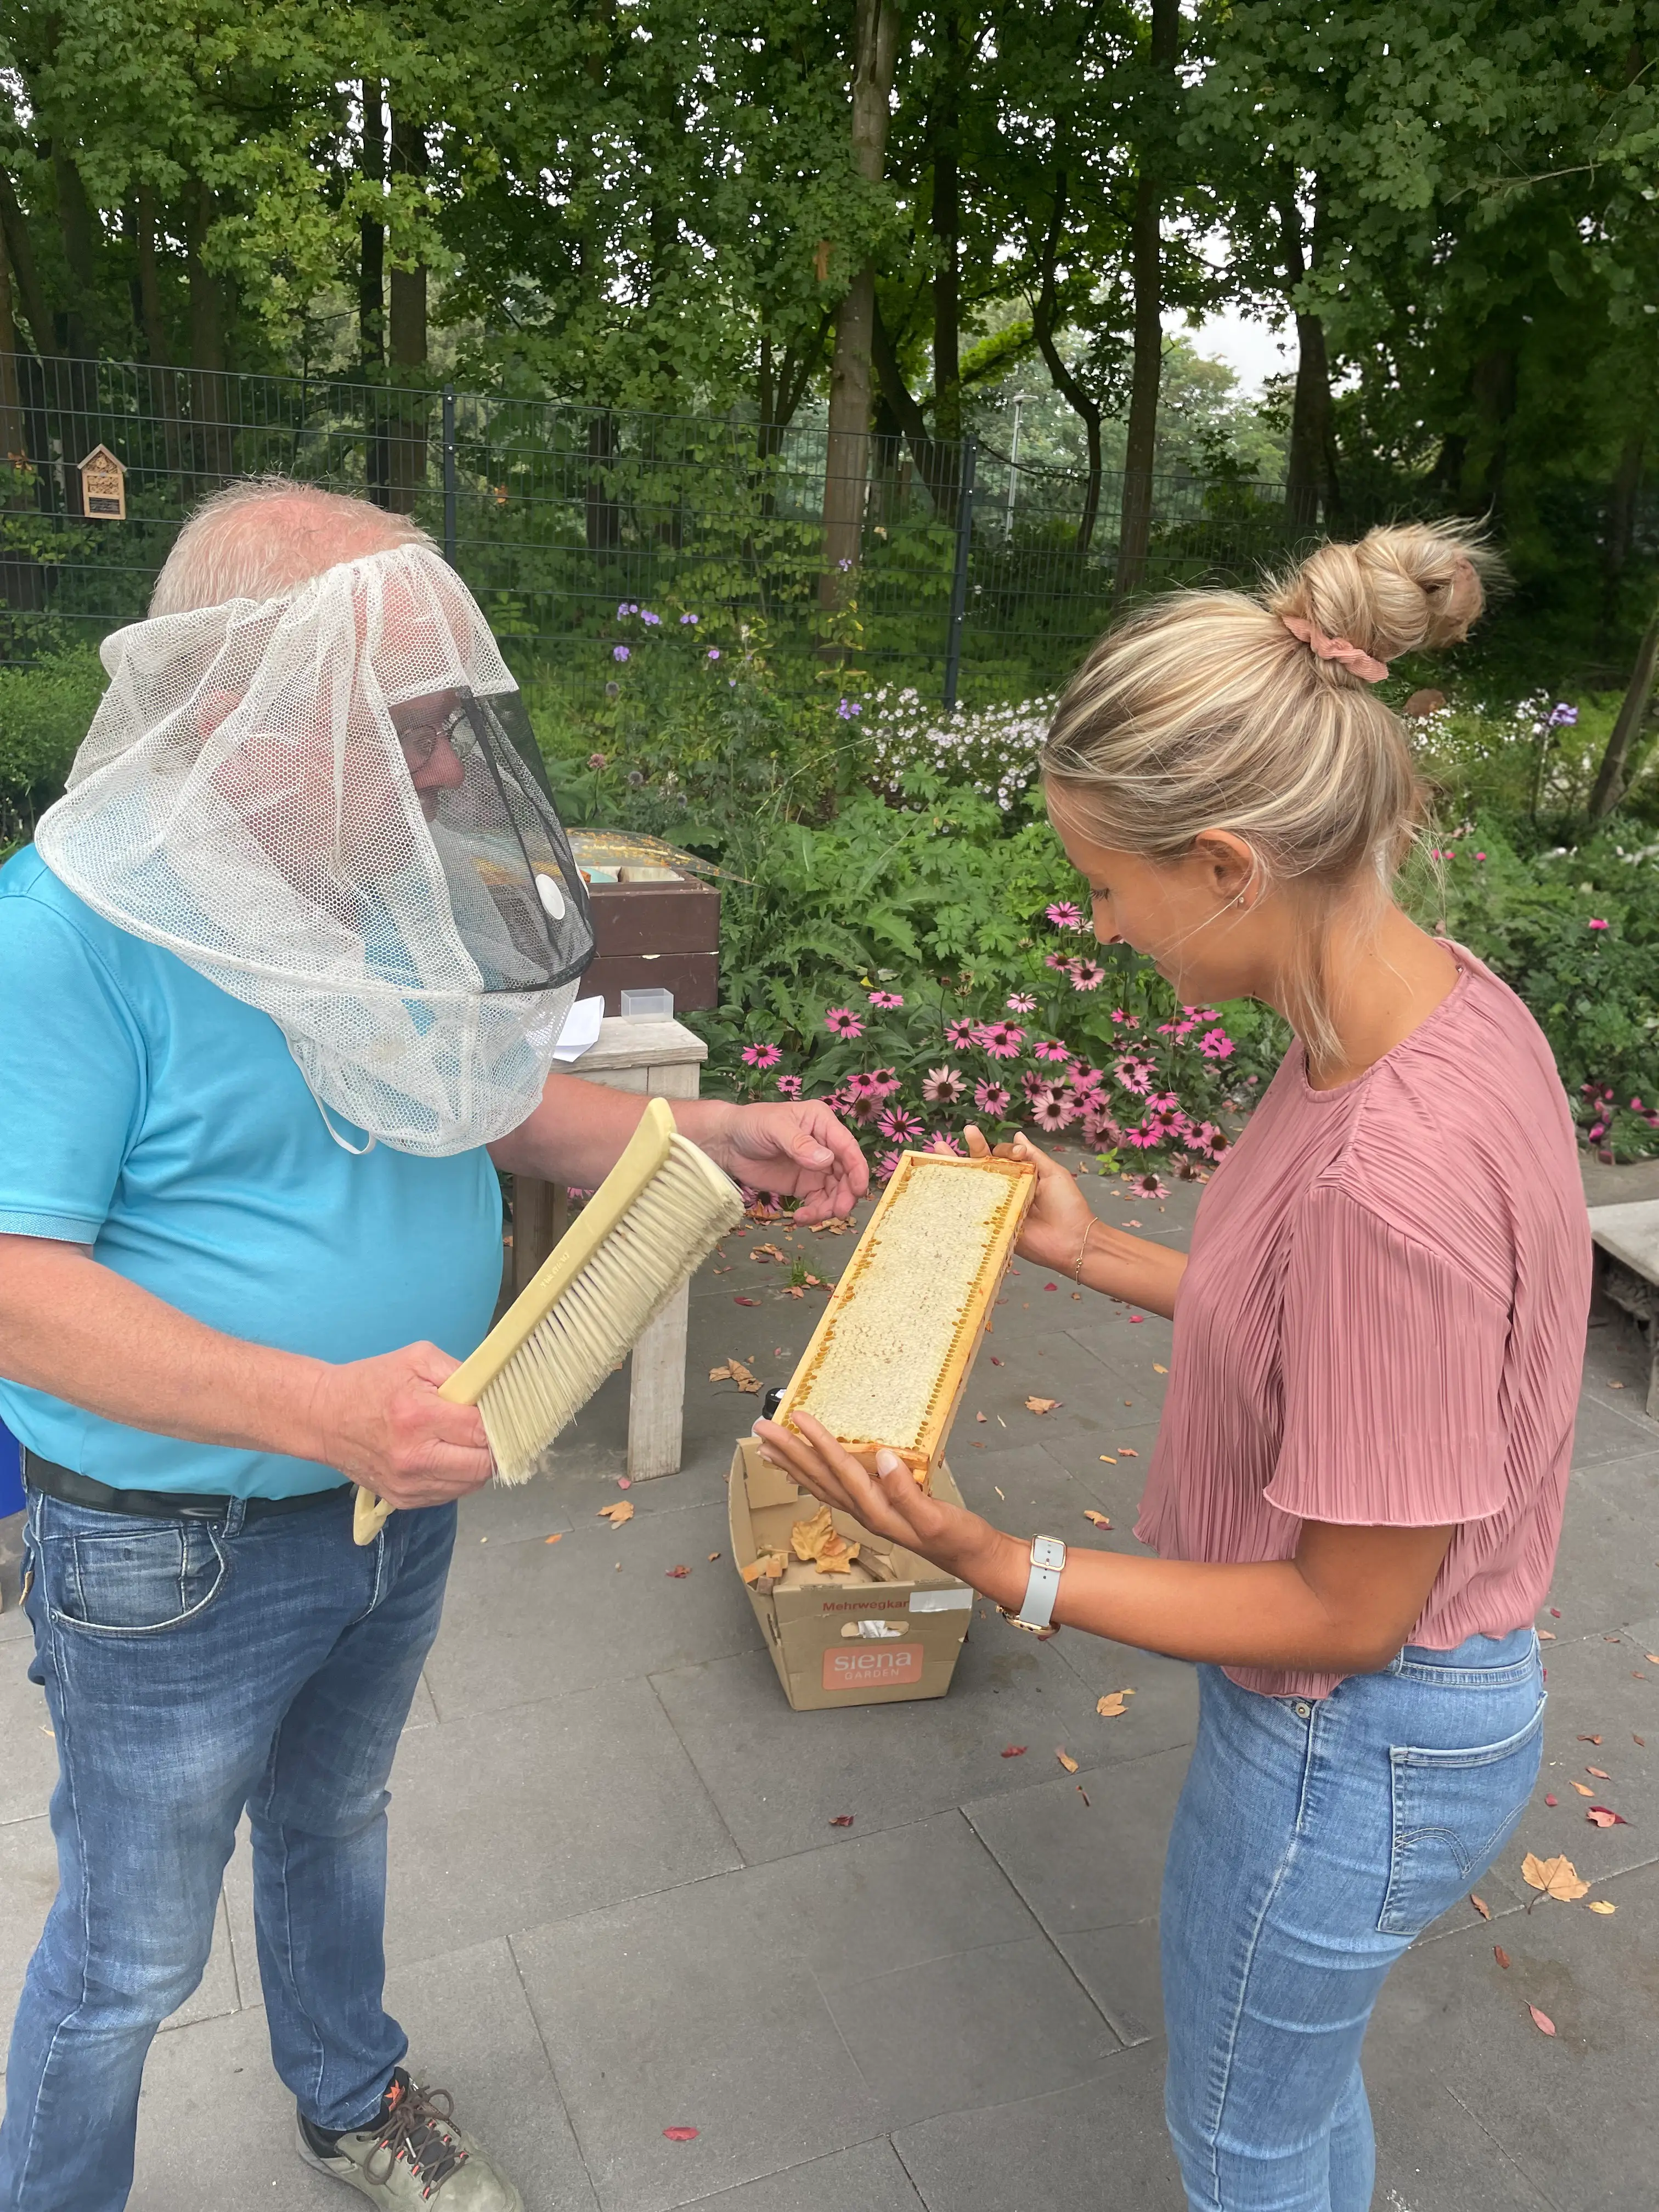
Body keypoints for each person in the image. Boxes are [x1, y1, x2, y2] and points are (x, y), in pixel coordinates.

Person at [0, 479, 867, 2212]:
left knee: (337, 1823)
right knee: (129, 1964)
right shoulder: (60, 936)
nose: (451, 767)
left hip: (396, 1499)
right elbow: (17, 1275)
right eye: (402, 726)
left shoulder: (362, 891)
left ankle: (347, 2093)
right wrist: (315, 1406)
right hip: (173, 1555)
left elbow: (479, 1101)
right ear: (243, 705)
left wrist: (709, 1135)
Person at [757, 521, 1590, 2212]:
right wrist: (1099, 1252)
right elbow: (1331, 1328)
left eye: (1104, 884)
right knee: (1292, 2099)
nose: (1100, 922)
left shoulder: (1389, 1177)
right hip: (1397, 1723)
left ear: (1223, 863)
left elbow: (1349, 1611)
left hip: (1354, 1742)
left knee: (1242, 2136)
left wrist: (1002, 1565)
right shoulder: (1434, 1009)